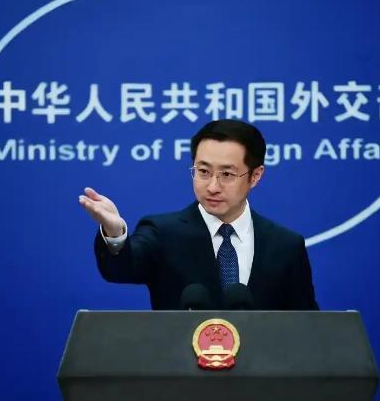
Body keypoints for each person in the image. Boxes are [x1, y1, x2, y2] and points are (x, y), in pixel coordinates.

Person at [79, 119, 319, 310]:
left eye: (227, 174)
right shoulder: (163, 233)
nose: (213, 186)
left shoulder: (285, 245)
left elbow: (307, 329)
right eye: (203, 171)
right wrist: (115, 233)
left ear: (255, 176)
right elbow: (122, 268)